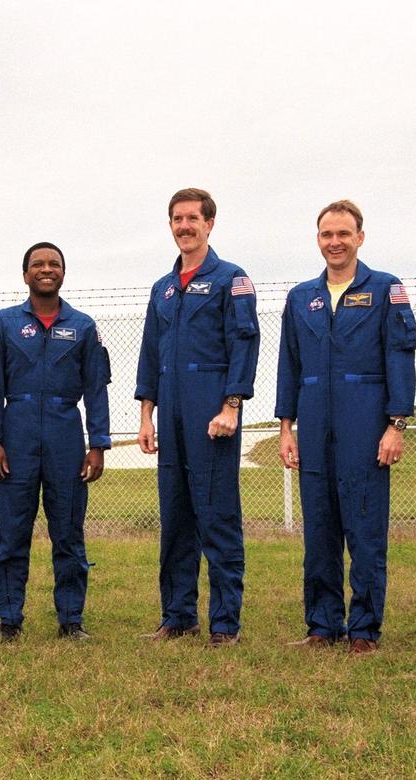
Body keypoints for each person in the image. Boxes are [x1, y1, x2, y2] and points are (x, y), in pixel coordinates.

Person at [276, 200, 416, 655]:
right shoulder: (302, 298)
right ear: (318, 239)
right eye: (326, 235)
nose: (334, 242)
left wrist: (396, 424)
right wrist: (286, 428)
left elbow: (400, 357)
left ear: (360, 236)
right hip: (314, 427)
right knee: (319, 533)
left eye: (343, 234)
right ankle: (322, 625)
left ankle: (363, 630)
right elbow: (289, 366)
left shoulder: (384, 289)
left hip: (365, 427)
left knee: (364, 532)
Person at [135, 188, 260, 647]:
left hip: (211, 411)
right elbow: (150, 354)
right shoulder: (162, 289)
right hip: (170, 413)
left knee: (217, 517)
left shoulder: (231, 279)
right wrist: (147, 416)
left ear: (210, 223)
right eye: (176, 218)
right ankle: (178, 615)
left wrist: (232, 405)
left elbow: (243, 344)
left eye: (193, 218)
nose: (184, 226)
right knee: (176, 520)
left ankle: (225, 623)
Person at [0, 242, 112, 642]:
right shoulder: (3, 324)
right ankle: (8, 619)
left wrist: (98, 444)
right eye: (38, 264)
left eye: (54, 263)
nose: (46, 269)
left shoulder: (84, 327)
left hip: (65, 436)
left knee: (68, 533)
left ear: (63, 274)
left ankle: (71, 619)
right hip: (16, 435)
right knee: (12, 533)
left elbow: (96, 389)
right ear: (25, 275)